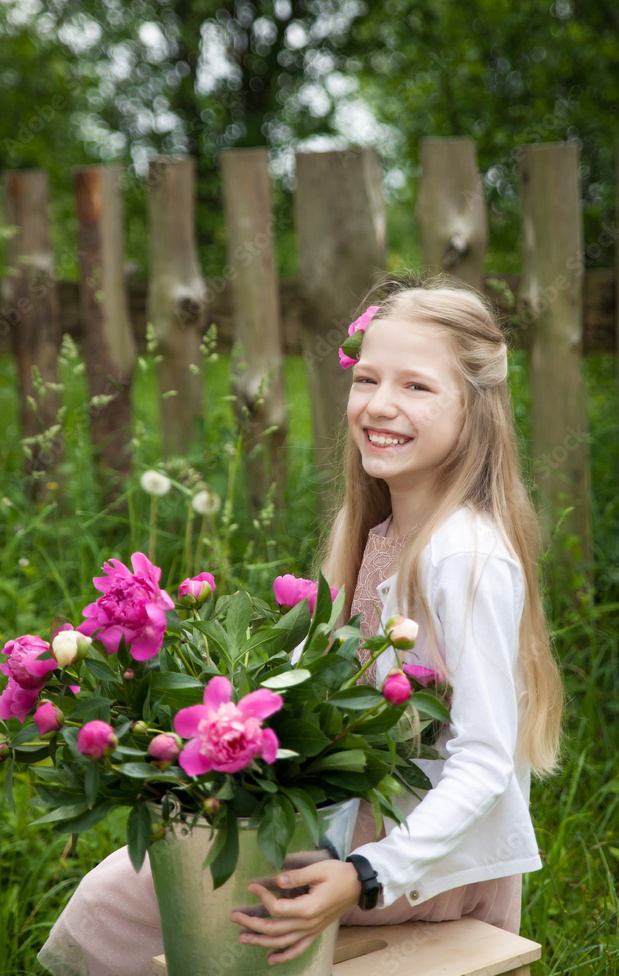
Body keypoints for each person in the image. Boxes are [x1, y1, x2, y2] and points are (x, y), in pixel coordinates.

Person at [38, 276, 563, 976]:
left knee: (122, 896)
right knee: (162, 860)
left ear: (475, 408)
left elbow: (485, 762)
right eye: (367, 378)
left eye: (416, 387)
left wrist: (363, 873)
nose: (379, 405)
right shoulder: (376, 531)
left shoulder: (461, 554)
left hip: (425, 863)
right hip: (367, 822)